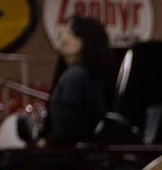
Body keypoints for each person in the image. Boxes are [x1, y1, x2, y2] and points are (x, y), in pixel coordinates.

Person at [42, 16, 113, 145]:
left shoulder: (74, 76)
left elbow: (67, 124)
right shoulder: (93, 75)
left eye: (68, 31)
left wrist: (47, 142)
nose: (61, 33)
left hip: (68, 152)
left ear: (78, 44)